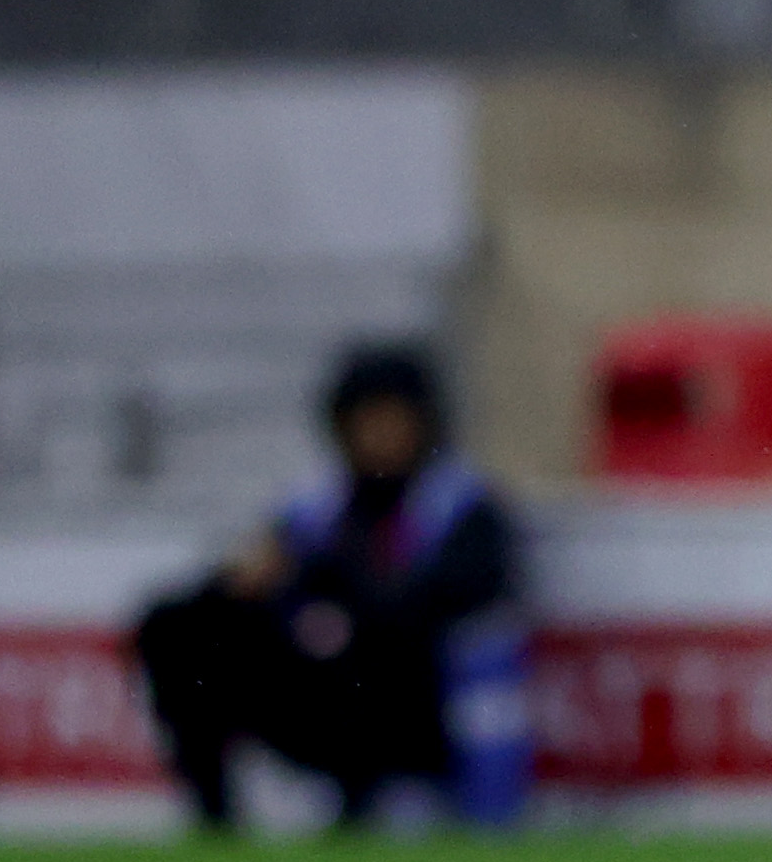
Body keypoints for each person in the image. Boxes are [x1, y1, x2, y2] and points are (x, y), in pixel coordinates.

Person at [134, 345, 520, 832]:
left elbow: (440, 602)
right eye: (366, 420)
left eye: (393, 419)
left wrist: (328, 583)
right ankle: (215, 817)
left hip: (416, 709)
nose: (380, 436)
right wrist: (243, 583)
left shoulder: (462, 507)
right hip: (321, 696)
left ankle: (365, 806)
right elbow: (257, 577)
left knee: (358, 638)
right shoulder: (316, 505)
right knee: (178, 626)